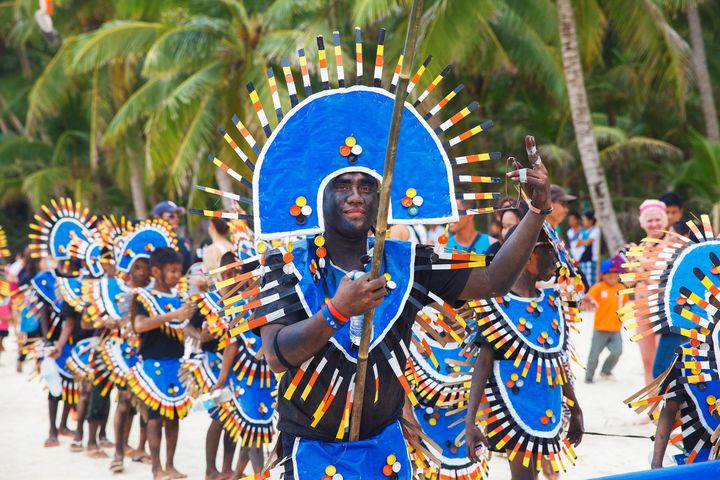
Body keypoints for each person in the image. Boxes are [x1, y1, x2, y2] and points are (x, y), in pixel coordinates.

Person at [465, 226, 584, 479]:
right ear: (528, 255)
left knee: (533, 475)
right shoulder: (495, 304)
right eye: (549, 253)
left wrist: (575, 408)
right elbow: (483, 363)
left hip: (546, 406)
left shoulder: (553, 302)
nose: (556, 262)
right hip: (511, 405)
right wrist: (470, 420)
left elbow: (557, 362)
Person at [130, 247, 194, 480]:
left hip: (175, 365)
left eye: (179, 271)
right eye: (172, 271)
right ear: (156, 271)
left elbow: (181, 328)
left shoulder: (179, 298)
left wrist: (199, 333)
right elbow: (139, 325)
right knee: (155, 419)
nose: (177, 275)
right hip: (152, 366)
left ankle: (170, 465)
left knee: (174, 417)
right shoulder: (144, 296)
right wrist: (172, 315)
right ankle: (156, 468)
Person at [582, 258, 626, 383]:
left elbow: (625, 304)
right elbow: (588, 298)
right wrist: (586, 301)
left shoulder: (622, 288)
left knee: (617, 351)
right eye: (609, 276)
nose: (613, 279)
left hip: (616, 328)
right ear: (602, 276)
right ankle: (589, 377)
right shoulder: (598, 288)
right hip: (600, 328)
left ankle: (606, 371)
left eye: (615, 276)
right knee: (594, 354)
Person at [153, 201, 192, 274]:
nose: (176, 219)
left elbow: (188, 269)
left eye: (178, 216)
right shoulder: (152, 242)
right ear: (158, 218)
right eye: (171, 216)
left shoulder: (182, 242)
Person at [576, 211, 600, 287]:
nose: (583, 222)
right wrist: (584, 242)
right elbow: (578, 244)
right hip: (582, 259)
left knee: (590, 283)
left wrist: (582, 242)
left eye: (585, 220)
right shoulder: (582, 231)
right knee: (583, 283)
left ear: (590, 221)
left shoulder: (595, 230)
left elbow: (588, 242)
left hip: (591, 260)